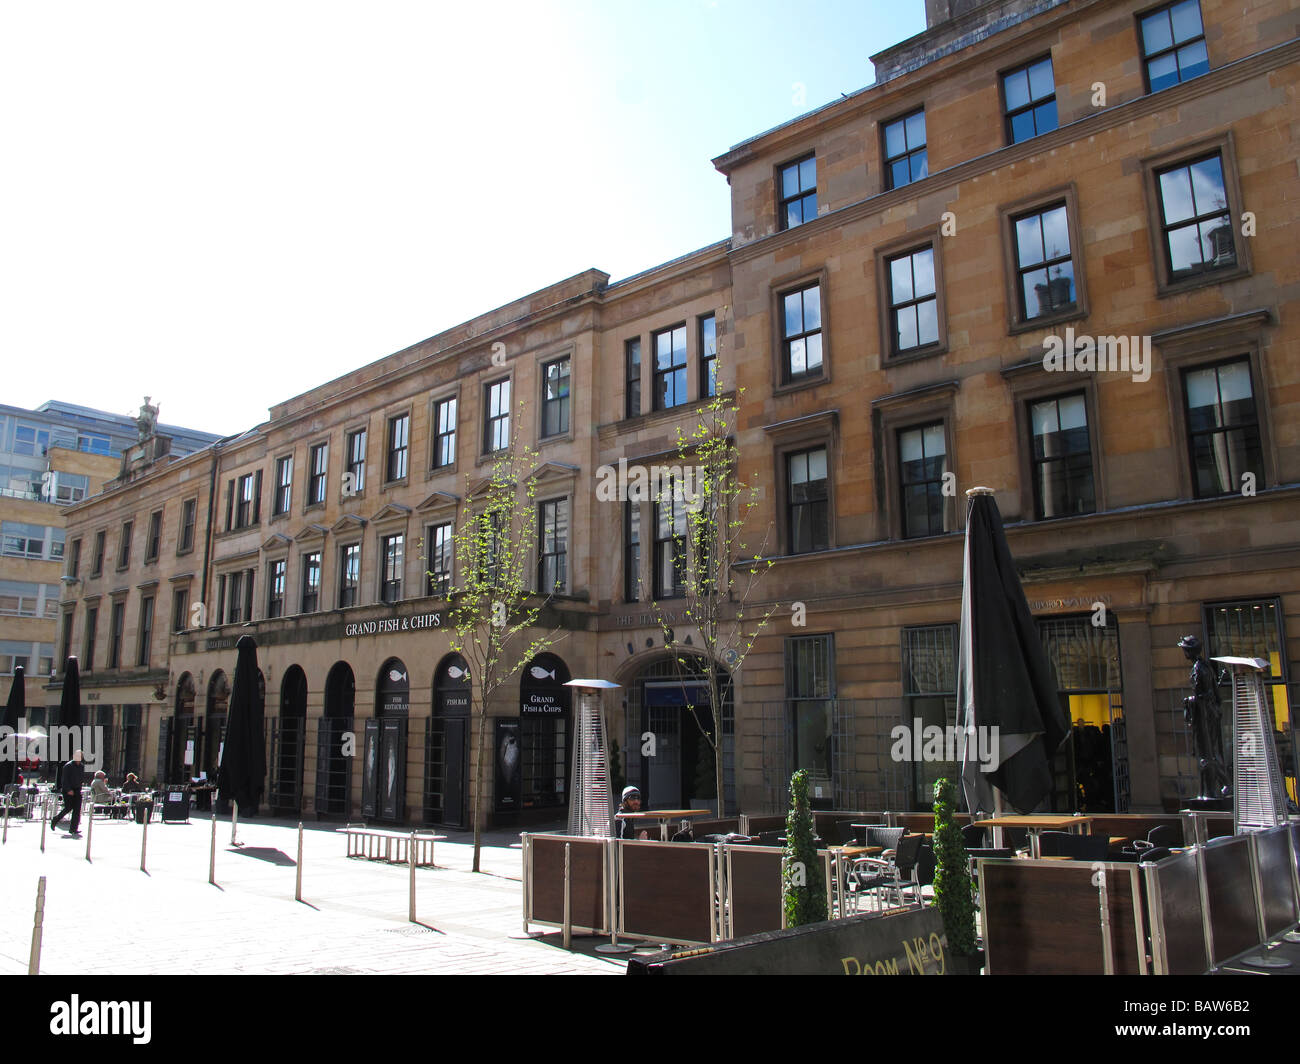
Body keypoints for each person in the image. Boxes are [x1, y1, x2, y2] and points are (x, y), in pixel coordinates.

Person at [50, 749, 86, 835]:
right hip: (68, 790)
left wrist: (80, 787)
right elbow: (64, 779)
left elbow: (81, 777)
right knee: (68, 808)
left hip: (77, 790)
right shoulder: (68, 766)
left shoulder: (81, 766)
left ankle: (73, 828)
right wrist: (68, 789)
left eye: (80, 756)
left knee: (77, 810)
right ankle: (55, 819)